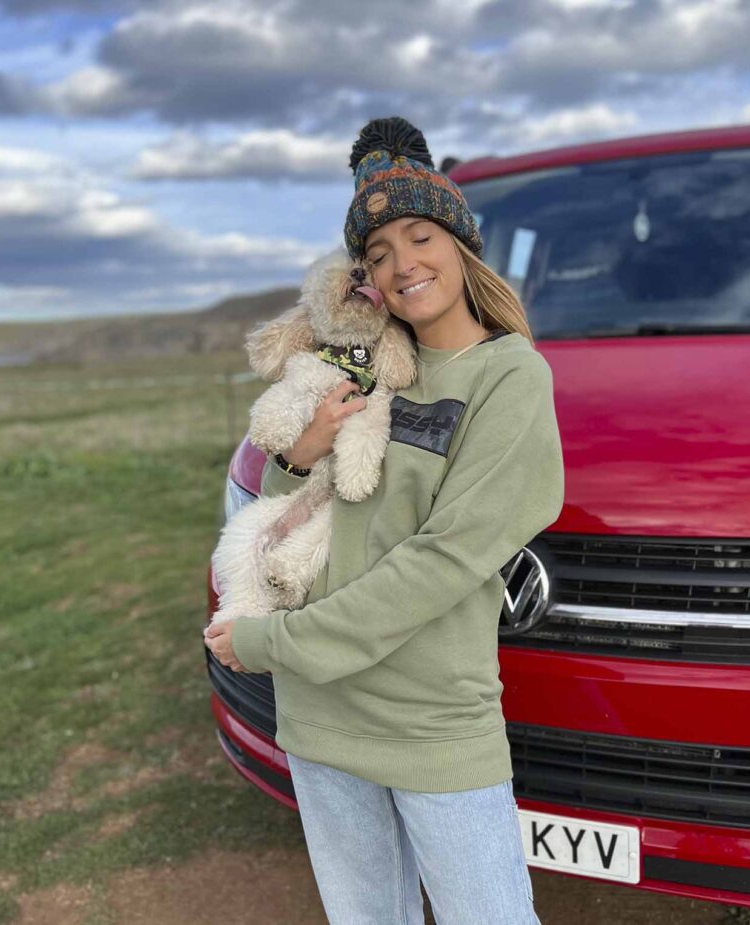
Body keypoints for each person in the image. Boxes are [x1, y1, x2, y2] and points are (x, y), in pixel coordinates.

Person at [204, 115, 564, 925]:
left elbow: (440, 561)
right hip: (323, 716)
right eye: (376, 253)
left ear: (460, 244)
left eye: (419, 235)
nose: (402, 265)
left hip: (431, 723)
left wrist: (271, 643)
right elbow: (278, 508)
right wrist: (297, 454)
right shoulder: (357, 368)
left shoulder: (510, 378)